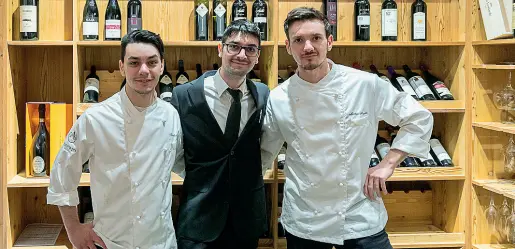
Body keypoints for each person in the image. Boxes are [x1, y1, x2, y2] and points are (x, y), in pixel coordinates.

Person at [260, 7, 434, 249]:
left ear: (329, 42)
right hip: (305, 219)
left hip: (359, 215)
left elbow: (419, 118)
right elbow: (263, 152)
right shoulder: (279, 97)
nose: (308, 47)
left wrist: (388, 164)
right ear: (288, 47)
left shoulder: (365, 84)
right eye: (298, 40)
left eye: (316, 38)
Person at [47, 30, 184, 249]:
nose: (144, 71)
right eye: (134, 62)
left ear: (161, 65)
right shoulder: (95, 118)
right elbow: (61, 176)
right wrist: (73, 230)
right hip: (110, 243)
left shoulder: (171, 115)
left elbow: (181, 164)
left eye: (151, 62)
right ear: (121, 67)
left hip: (162, 242)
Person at [171, 19, 269, 249]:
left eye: (250, 49)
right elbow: (174, 151)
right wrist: (202, 177)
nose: (241, 54)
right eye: (234, 46)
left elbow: (266, 145)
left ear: (257, 56)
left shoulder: (263, 94)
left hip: (246, 219)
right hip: (199, 217)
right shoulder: (184, 95)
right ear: (220, 48)